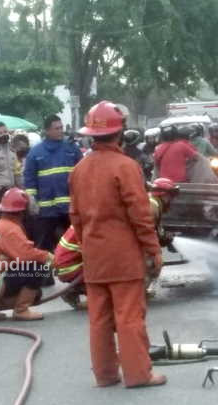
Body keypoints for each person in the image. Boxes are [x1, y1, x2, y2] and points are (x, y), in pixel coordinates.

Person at [70, 100, 166, 389]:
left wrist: (88, 243)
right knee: (128, 316)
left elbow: (75, 217)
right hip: (123, 255)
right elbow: (140, 214)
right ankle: (139, 374)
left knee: (99, 318)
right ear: (120, 132)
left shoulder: (80, 169)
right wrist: (153, 248)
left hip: (94, 254)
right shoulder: (126, 166)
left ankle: (106, 374)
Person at [54, 177, 180, 308]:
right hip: (72, 266)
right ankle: (91, 294)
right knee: (147, 261)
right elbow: (141, 239)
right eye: (171, 197)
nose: (172, 201)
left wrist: (162, 238)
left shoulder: (144, 203)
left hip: (71, 263)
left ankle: (85, 289)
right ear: (164, 195)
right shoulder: (150, 206)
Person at [0, 188, 53, 321]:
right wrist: (51, 259)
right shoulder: (10, 229)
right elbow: (27, 255)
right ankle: (21, 310)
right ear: (23, 211)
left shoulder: (3, 225)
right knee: (38, 267)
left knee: (35, 294)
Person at [24, 114, 83, 251]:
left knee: (74, 245)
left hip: (69, 209)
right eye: (56, 128)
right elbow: (29, 178)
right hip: (46, 211)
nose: (61, 130)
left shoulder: (72, 149)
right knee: (44, 246)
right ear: (47, 131)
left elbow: (82, 175)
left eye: (61, 127)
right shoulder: (35, 153)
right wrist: (31, 200)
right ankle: (46, 272)